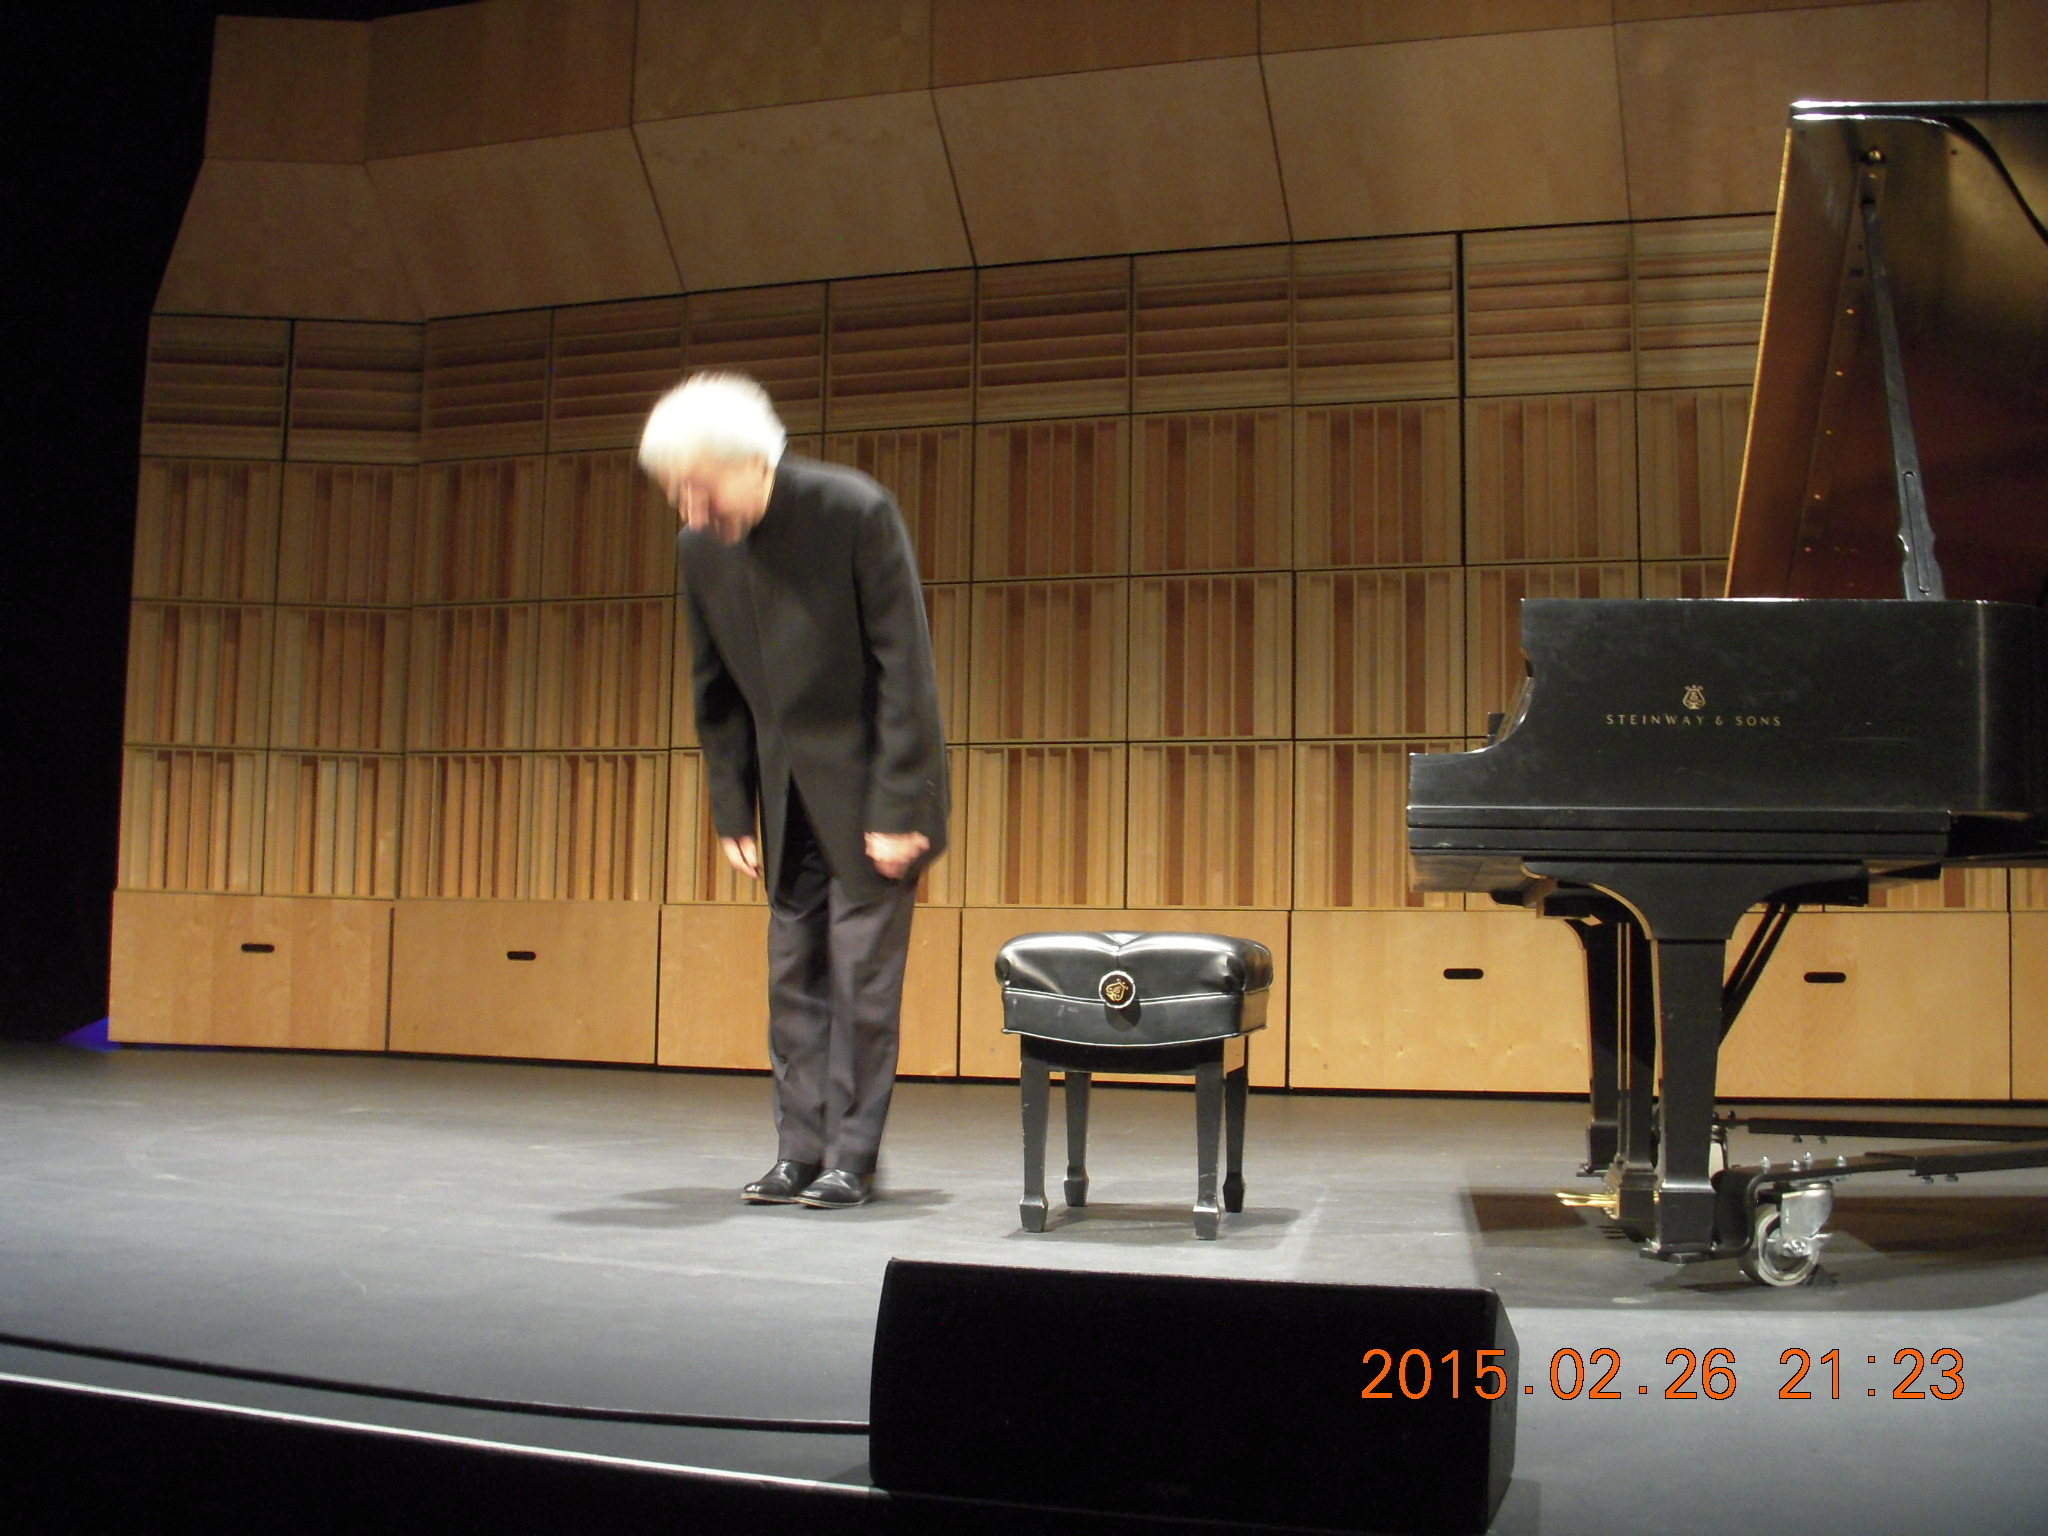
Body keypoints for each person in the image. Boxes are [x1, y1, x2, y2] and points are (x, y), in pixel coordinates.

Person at [639, 373, 949, 1209]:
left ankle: (852, 1155)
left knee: (860, 982)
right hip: (783, 795)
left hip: (873, 788)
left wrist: (899, 807)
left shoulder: (854, 510)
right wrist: (731, 807)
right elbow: (714, 687)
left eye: (700, 489)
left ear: (752, 461)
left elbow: (905, 668)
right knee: (794, 979)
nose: (691, 510)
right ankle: (798, 1151)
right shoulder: (700, 547)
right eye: (677, 495)